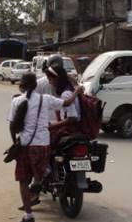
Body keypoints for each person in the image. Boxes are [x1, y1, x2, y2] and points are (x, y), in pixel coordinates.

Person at [8, 72, 82, 222]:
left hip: (25, 145)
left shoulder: (16, 101)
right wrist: (77, 91)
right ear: (36, 86)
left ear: (21, 85)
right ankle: (42, 174)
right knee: (41, 165)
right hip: (43, 145)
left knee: (23, 180)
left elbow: (12, 126)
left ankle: (28, 215)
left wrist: (15, 141)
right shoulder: (45, 99)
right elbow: (67, 103)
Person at [48, 64, 83, 148]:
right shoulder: (72, 90)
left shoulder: (66, 94)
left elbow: (72, 118)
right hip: (76, 128)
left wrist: (52, 126)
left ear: (57, 79)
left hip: (70, 129)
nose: (49, 81)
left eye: (50, 78)